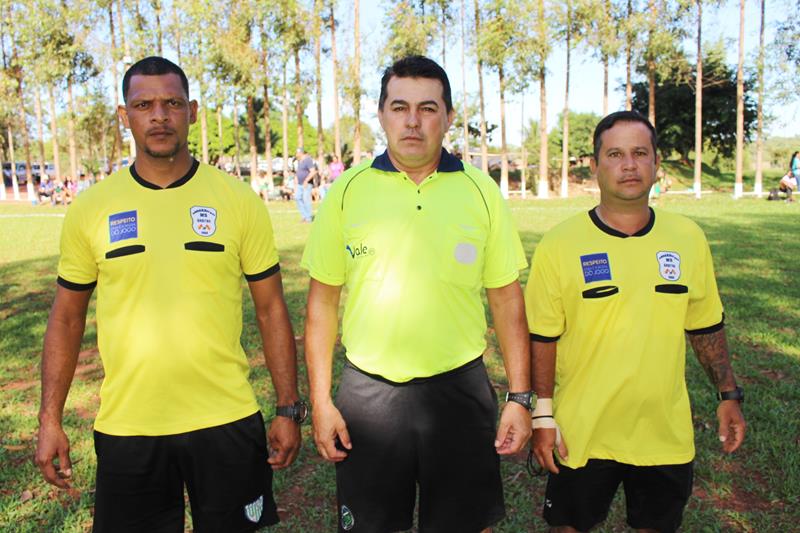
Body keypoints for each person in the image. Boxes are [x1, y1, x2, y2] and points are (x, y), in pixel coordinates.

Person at [34, 56, 304, 533]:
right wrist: (49, 419)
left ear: (192, 111)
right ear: (125, 116)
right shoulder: (91, 209)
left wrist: (287, 408)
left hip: (226, 419)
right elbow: (66, 319)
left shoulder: (238, 201)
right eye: (144, 104)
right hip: (129, 426)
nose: (159, 115)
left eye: (172, 103)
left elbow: (270, 308)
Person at [302, 55, 532, 533]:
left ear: (448, 116)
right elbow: (322, 305)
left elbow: (507, 300)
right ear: (382, 114)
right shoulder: (347, 191)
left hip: (459, 390)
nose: (412, 121)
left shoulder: (481, 192)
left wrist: (520, 396)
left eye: (428, 108)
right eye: (399, 106)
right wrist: (321, 401)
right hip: (369, 392)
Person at [525, 111, 746, 533]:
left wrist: (727, 393)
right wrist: (542, 416)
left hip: (664, 432)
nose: (629, 165)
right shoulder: (559, 245)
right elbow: (542, 336)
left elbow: (705, 325)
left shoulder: (688, 238)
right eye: (615, 154)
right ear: (594, 166)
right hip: (583, 431)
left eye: (640, 153)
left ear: (656, 163)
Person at [295, 146, 316, 222]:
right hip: (300, 184)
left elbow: (313, 171)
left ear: (301, 153)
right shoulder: (300, 161)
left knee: (306, 199)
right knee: (297, 197)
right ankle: (304, 215)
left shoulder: (308, 160)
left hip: (306, 184)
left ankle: (308, 218)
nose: (296, 154)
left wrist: (306, 180)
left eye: (297, 153)